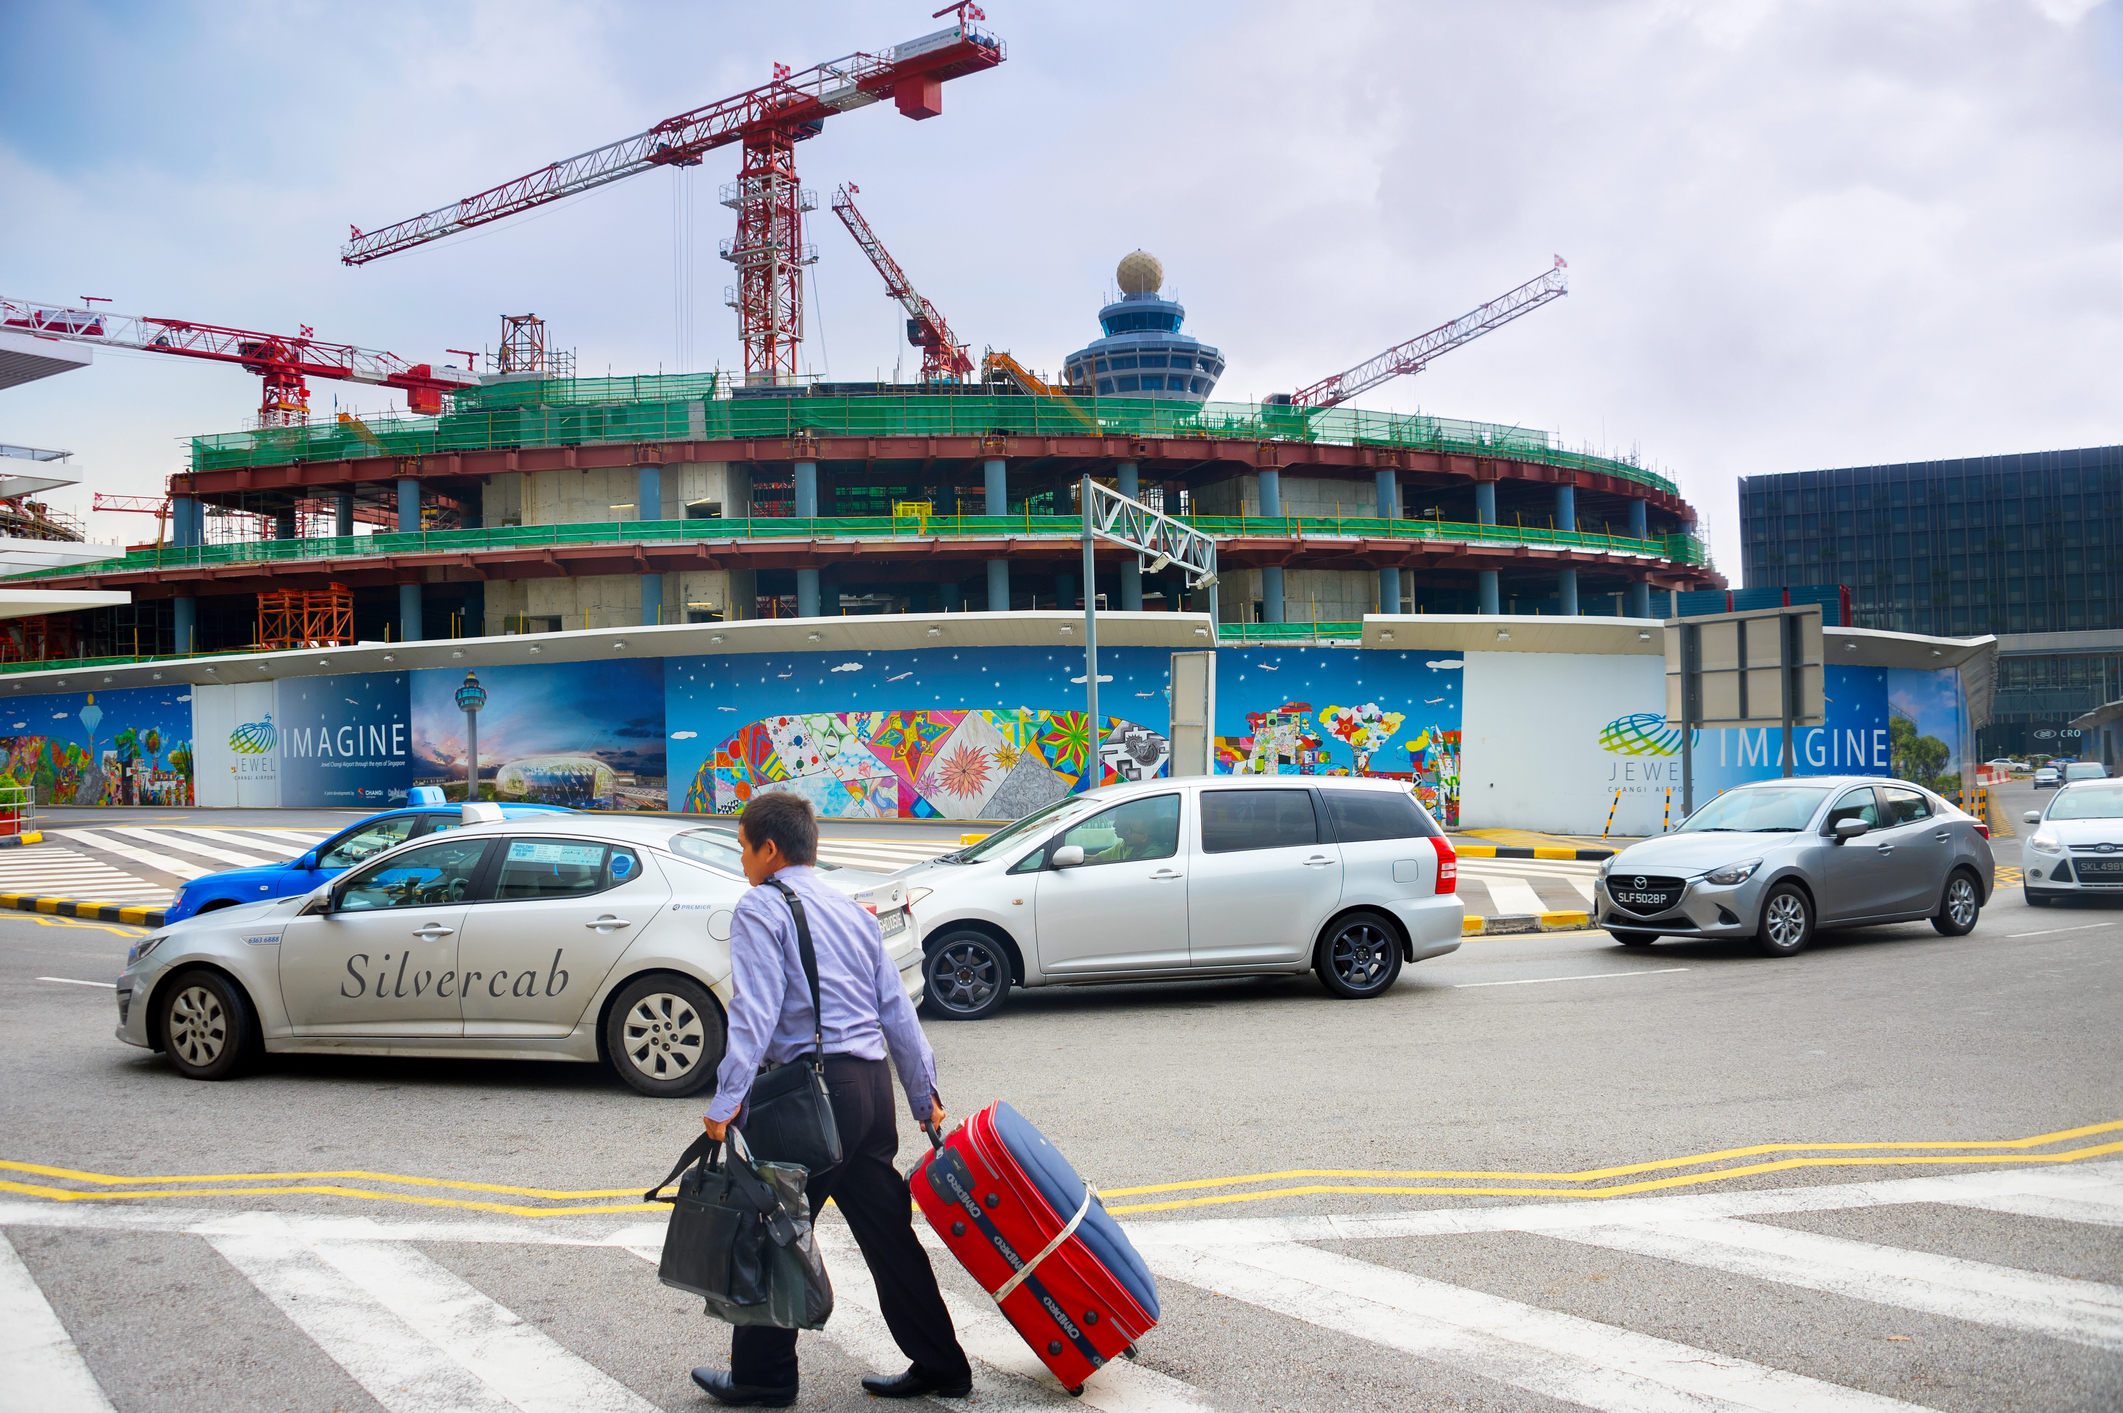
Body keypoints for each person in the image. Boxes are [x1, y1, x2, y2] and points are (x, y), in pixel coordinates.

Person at [691, 791, 973, 1408]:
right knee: (889, 1235)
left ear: (770, 849)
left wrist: (725, 1100)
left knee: (772, 1228)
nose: (743, 859)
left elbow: (755, 1011)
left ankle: (763, 1379)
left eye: (743, 846)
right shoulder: (852, 911)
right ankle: (942, 1363)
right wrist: (923, 1095)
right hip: (869, 1092)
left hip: (808, 1097)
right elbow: (895, 1008)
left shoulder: (761, 908)